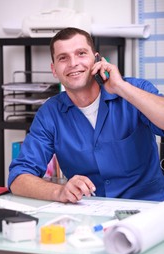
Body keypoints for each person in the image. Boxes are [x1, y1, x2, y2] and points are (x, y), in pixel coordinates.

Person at [8, 27, 164, 203]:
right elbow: (18, 177)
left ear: (96, 59)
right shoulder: (49, 114)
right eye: (63, 58)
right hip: (91, 214)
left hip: (148, 208)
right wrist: (59, 192)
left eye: (81, 53)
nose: (73, 63)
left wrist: (120, 87)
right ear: (54, 69)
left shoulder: (135, 90)